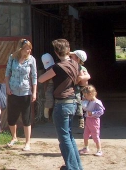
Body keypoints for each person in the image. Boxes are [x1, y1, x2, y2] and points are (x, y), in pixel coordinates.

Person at [38, 39, 83, 170]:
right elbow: (81, 78)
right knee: (69, 136)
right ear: (68, 50)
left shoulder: (57, 67)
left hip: (62, 104)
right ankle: (77, 166)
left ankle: (72, 167)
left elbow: (41, 79)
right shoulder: (75, 64)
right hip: (73, 101)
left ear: (56, 52)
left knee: (64, 138)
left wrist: (50, 69)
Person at [5, 39, 37, 151]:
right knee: (11, 117)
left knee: (26, 117)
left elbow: (34, 76)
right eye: (26, 48)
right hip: (13, 91)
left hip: (26, 91)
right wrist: (7, 87)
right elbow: (7, 73)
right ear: (20, 49)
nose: (28, 50)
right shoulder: (12, 58)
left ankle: (27, 142)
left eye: (29, 48)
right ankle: (14, 137)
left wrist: (34, 92)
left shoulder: (32, 60)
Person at [79, 85, 105, 157]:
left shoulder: (97, 102)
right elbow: (85, 108)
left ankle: (99, 150)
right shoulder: (88, 101)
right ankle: (86, 148)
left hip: (94, 121)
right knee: (85, 135)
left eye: (85, 95)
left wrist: (92, 113)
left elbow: (101, 111)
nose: (84, 97)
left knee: (95, 135)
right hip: (88, 120)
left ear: (90, 94)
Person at [70, 50, 91, 128]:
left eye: (72, 56)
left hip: (81, 87)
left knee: (82, 102)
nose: (70, 57)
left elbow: (88, 76)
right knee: (78, 101)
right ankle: (80, 117)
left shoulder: (82, 68)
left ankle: (83, 117)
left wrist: (81, 77)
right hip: (77, 86)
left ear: (78, 59)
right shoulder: (71, 65)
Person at [41, 53, 55, 122]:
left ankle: (52, 116)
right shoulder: (46, 71)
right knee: (49, 100)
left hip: (56, 86)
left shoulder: (56, 68)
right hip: (49, 86)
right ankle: (46, 116)